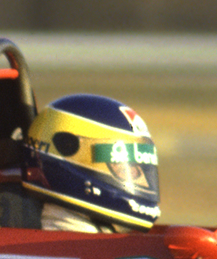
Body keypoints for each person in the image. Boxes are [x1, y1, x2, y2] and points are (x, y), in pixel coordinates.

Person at [20, 94, 161, 232]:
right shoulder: (71, 247)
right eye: (124, 170)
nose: (140, 178)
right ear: (68, 150)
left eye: (137, 170)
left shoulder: (91, 239)